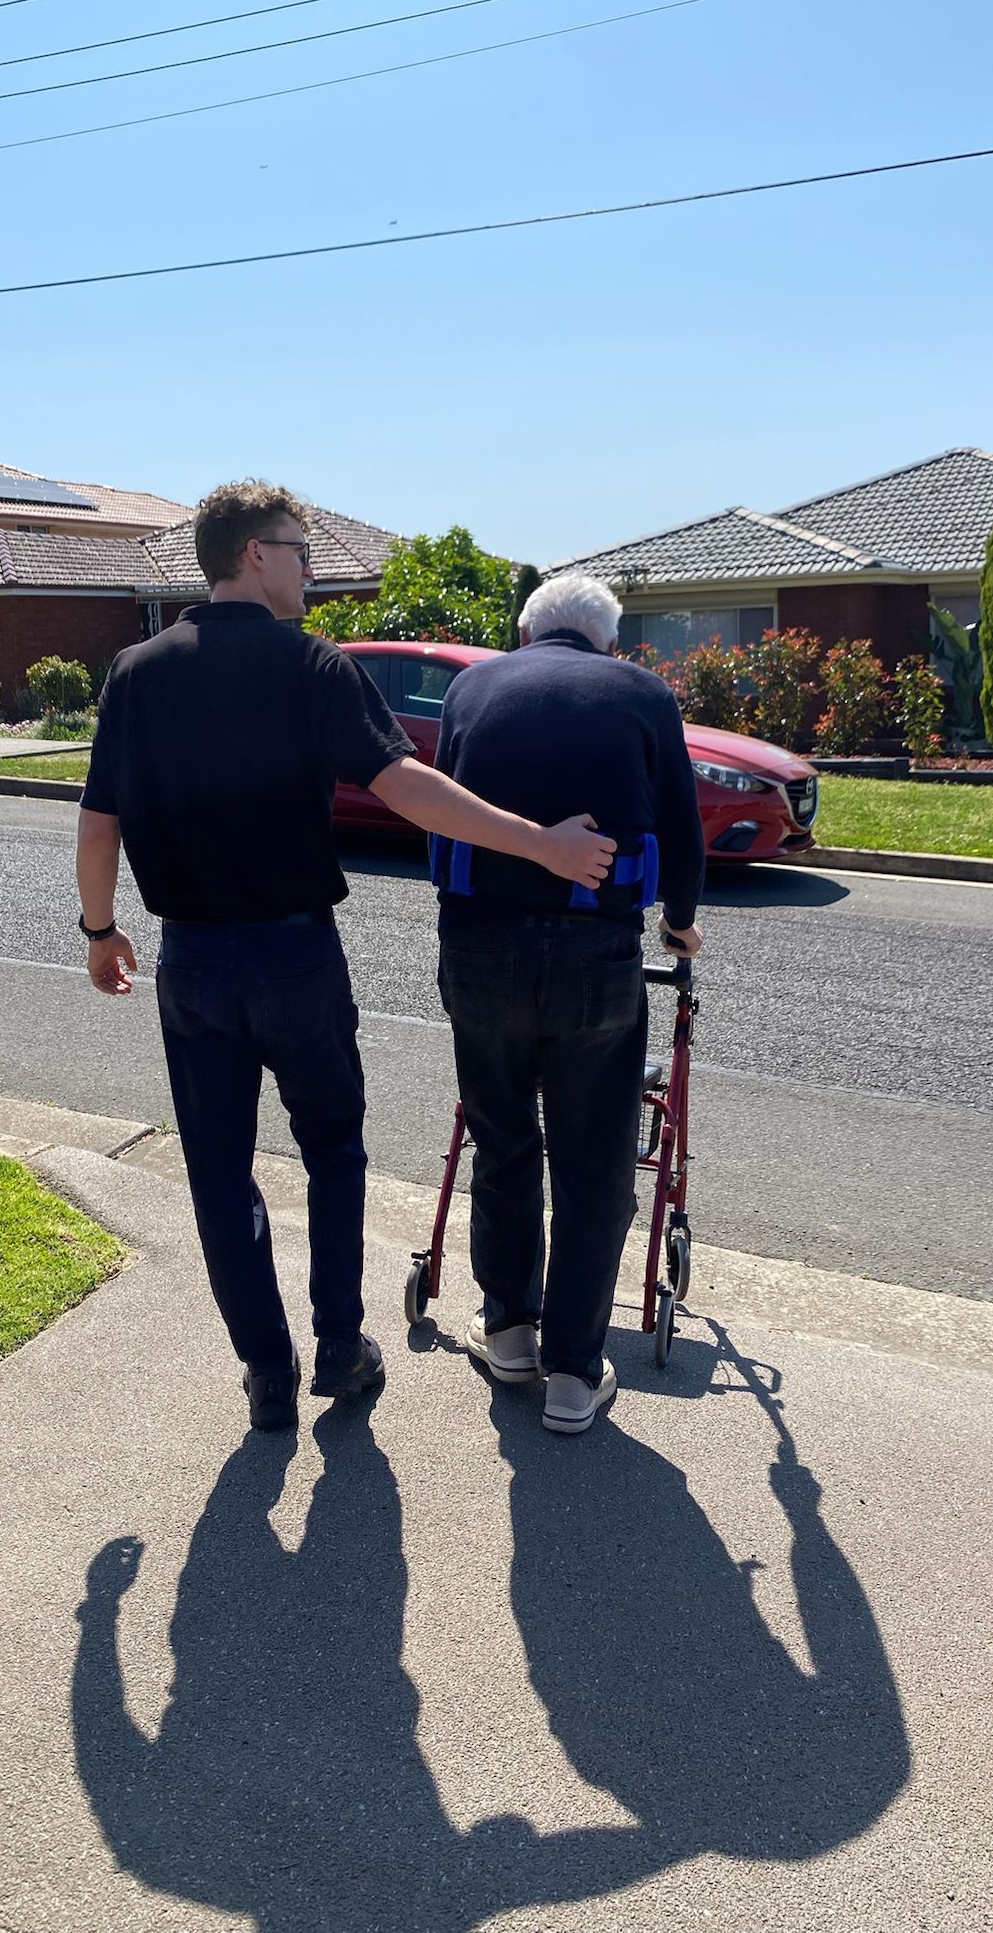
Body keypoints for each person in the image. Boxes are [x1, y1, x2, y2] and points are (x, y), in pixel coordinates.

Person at [75, 481, 616, 1434]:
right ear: (251, 554)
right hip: (294, 961)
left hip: (192, 966)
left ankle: (266, 1370)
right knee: (332, 1151)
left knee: (219, 1172)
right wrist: (542, 845)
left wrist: (99, 928)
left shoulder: (136, 671)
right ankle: (338, 1347)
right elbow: (408, 787)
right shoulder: (310, 666)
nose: (311, 572)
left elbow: (99, 815)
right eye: (298, 550)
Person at [431, 572, 705, 1435]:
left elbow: (447, 807)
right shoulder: (642, 693)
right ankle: (575, 1376)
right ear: (606, 642)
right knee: (592, 1163)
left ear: (525, 632)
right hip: (594, 955)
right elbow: (685, 835)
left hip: (480, 952)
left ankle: (509, 1328)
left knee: (503, 1139)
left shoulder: (470, 687)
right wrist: (681, 927)